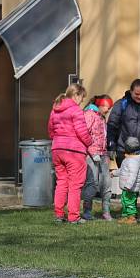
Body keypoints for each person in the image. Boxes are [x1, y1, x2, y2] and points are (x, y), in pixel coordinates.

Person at [47, 83, 92, 224]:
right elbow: (82, 132)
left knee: (61, 183)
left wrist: (59, 140)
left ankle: (59, 215)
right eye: (82, 98)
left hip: (57, 149)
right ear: (76, 95)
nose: (82, 101)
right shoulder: (76, 110)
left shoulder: (55, 109)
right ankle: (74, 217)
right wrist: (90, 142)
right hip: (74, 151)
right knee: (75, 185)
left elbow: (50, 130)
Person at [107, 78, 140, 167]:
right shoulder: (122, 104)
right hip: (123, 150)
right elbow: (112, 125)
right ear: (131, 91)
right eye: (136, 94)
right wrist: (111, 146)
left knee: (137, 179)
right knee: (126, 178)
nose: (139, 97)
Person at [81, 95, 113, 220]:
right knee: (92, 183)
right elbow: (84, 134)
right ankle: (87, 211)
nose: (107, 110)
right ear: (100, 104)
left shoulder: (101, 117)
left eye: (109, 108)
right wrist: (92, 152)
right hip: (91, 155)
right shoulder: (89, 114)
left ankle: (106, 211)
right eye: (106, 107)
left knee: (106, 183)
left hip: (103, 153)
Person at [114, 137, 140, 224]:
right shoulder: (128, 159)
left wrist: (128, 186)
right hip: (127, 188)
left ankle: (132, 218)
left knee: (129, 203)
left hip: (130, 188)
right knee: (125, 201)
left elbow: (133, 175)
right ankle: (126, 216)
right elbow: (122, 170)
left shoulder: (134, 161)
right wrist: (114, 173)